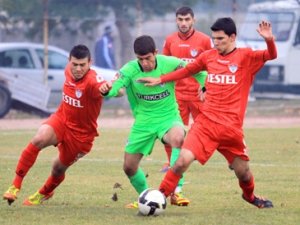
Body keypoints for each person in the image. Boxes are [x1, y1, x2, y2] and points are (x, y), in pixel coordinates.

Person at [138, 18, 277, 208]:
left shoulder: (246, 57)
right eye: (214, 39)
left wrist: (269, 39)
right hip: (206, 125)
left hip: (231, 129)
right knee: (180, 162)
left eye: (220, 38)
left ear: (232, 37)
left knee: (243, 173)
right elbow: (187, 71)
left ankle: (250, 197)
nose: (216, 43)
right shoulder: (209, 56)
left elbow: (271, 55)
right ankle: (158, 197)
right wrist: (161, 79)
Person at [3, 44, 122, 206]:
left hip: (81, 136)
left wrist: (108, 89)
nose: (78, 69)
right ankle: (15, 186)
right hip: (61, 120)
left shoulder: (93, 81)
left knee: (58, 169)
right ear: (69, 62)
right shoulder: (68, 70)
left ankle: (44, 193)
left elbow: (108, 90)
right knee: (39, 138)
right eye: (75, 64)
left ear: (90, 63)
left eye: (82, 65)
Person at [99, 35, 204, 208]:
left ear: (155, 53)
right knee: (129, 167)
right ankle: (146, 197)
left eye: (148, 58)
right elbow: (116, 86)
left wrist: (205, 83)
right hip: (143, 122)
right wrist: (107, 91)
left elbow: (196, 69)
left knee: (178, 137)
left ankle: (176, 191)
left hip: (168, 118)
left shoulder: (169, 63)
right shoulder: (130, 69)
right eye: (140, 59)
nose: (145, 63)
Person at [160, 6, 211, 176]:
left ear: (193, 20)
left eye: (187, 19)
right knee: (172, 130)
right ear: (176, 20)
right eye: (180, 19)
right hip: (177, 95)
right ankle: (170, 163)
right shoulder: (170, 40)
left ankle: (201, 156)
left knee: (206, 129)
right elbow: (164, 66)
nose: (183, 23)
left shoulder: (204, 40)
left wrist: (205, 85)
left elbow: (211, 64)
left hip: (198, 95)